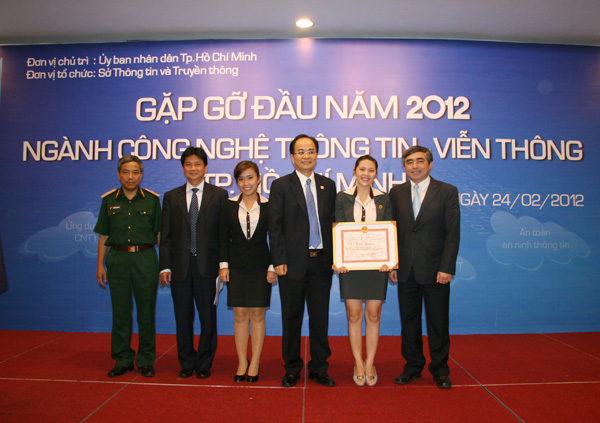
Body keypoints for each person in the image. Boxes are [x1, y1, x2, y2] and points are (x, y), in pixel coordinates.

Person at [389, 145, 460, 389]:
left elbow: (452, 233)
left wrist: (447, 267)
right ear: (404, 166)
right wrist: (393, 263)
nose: (415, 166)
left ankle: (440, 369)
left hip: (436, 270)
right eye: (409, 162)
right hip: (406, 269)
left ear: (430, 164)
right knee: (409, 322)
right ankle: (412, 367)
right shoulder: (396, 192)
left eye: (420, 161)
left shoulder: (447, 191)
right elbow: (392, 231)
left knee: (437, 322)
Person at [268, 134, 337, 387]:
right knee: (291, 318)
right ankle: (292, 368)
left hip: (321, 262)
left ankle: (319, 367)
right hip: (291, 264)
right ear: (292, 156)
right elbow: (274, 226)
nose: (306, 156)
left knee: (320, 318)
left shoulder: (328, 185)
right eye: (301, 151)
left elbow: (334, 224)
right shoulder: (281, 185)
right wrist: (278, 259)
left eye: (310, 151)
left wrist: (337, 257)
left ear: (317, 155)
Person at [159, 147, 227, 379]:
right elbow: (165, 235)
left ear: (205, 167)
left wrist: (223, 264)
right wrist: (165, 266)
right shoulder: (171, 196)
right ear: (183, 168)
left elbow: (223, 234)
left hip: (208, 267)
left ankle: (205, 362)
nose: (193, 168)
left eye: (197, 164)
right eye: (188, 164)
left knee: (208, 319)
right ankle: (186, 361)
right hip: (180, 267)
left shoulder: (219, 195)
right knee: (183, 317)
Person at [94, 155, 161, 378]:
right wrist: (100, 265)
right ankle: (122, 359)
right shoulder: (108, 200)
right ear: (118, 174)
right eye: (126, 172)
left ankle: (145, 360)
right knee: (121, 313)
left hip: (145, 259)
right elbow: (104, 234)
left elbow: (159, 235)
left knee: (146, 313)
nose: (130, 177)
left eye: (135, 172)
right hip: (118, 260)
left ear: (141, 175)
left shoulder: (152, 200)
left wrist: (165, 266)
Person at [333, 155, 393, 387]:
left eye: (371, 170)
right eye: (362, 169)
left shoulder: (384, 198)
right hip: (351, 267)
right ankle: (358, 362)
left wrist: (389, 260)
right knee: (354, 315)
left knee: (374, 315)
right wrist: (339, 259)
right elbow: (338, 228)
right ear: (354, 171)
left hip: (377, 267)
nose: (366, 174)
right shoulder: (342, 197)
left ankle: (370, 363)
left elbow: (389, 230)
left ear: (376, 174)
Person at [218, 161, 277, 383]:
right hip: (236, 266)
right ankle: (242, 361)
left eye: (250, 177)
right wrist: (223, 265)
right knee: (240, 314)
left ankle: (255, 362)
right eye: (241, 179)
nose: (246, 183)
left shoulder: (270, 205)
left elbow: (276, 239)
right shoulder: (229, 205)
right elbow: (222, 236)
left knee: (257, 315)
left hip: (261, 267)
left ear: (259, 179)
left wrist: (272, 266)